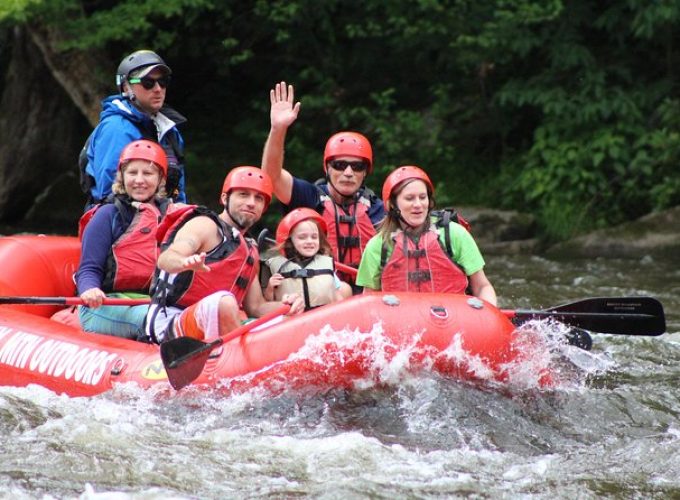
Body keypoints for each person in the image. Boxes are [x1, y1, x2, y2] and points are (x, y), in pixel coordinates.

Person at [144, 167, 304, 344]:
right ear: (224, 199)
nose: (251, 203)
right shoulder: (205, 225)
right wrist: (184, 262)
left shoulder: (250, 249)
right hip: (168, 322)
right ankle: (238, 362)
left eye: (258, 198)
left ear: (263, 208)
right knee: (224, 302)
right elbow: (166, 259)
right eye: (243, 194)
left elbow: (256, 307)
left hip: (215, 322)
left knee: (285, 321)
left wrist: (287, 306)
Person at [261, 82, 385, 287]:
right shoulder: (309, 197)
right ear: (327, 168)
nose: (348, 173)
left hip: (364, 297)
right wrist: (278, 129)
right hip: (317, 295)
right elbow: (271, 178)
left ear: (365, 172)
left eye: (357, 166)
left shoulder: (377, 209)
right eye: (339, 165)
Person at [356, 166, 497, 305]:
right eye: (409, 198)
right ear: (392, 204)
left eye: (423, 197)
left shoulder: (455, 234)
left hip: (451, 319)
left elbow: (482, 287)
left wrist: (489, 314)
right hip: (400, 322)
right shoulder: (377, 246)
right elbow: (369, 300)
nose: (418, 204)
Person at [76, 139, 172, 339]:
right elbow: (88, 269)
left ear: (161, 179)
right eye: (132, 173)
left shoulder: (171, 217)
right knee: (156, 318)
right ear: (121, 176)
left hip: (151, 302)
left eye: (148, 173)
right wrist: (90, 290)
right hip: (105, 305)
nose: (139, 180)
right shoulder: (108, 214)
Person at [80, 49, 187, 208]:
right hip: (121, 224)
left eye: (163, 81)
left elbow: (179, 192)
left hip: (163, 221)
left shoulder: (169, 129)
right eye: (148, 82)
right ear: (125, 87)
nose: (157, 88)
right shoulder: (116, 129)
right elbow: (112, 194)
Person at [262, 207, 352, 310]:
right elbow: (268, 302)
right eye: (302, 237)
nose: (309, 241)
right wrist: (270, 288)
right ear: (290, 241)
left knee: (346, 288)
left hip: (322, 317)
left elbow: (336, 296)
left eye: (314, 237)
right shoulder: (277, 268)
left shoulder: (325, 264)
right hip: (293, 319)